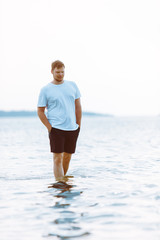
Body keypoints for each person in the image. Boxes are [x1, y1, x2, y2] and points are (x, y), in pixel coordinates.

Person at [37, 60, 82, 181]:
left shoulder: (72, 85)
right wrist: (49, 127)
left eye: (62, 72)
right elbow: (40, 111)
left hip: (72, 127)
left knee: (67, 157)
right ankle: (60, 185)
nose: (60, 74)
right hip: (56, 128)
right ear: (52, 72)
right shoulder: (45, 89)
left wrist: (78, 125)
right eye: (58, 72)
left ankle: (63, 182)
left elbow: (78, 106)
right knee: (57, 158)